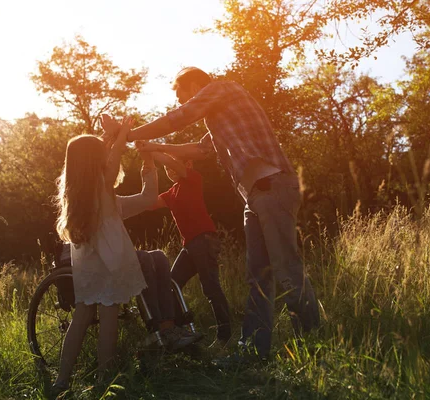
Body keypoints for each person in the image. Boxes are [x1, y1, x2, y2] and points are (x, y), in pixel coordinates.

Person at [101, 66, 320, 362]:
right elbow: (200, 150)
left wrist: (125, 134)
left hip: (273, 187)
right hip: (255, 197)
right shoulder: (219, 119)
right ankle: (253, 352)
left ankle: (315, 348)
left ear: (193, 85)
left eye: (179, 93)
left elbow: (178, 119)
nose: (179, 100)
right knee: (258, 278)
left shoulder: (222, 89)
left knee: (287, 271)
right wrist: (152, 146)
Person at [52, 118, 197, 392]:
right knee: (108, 319)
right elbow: (115, 158)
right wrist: (120, 135)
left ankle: (61, 380)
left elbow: (145, 198)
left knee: (80, 318)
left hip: (87, 267)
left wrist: (145, 162)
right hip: (112, 262)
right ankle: (103, 381)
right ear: (98, 162)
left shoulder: (79, 199)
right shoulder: (104, 191)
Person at [141, 149, 231, 347]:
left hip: (204, 239)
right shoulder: (171, 192)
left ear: (188, 164)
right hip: (190, 245)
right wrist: (147, 164)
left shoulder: (193, 179)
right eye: (166, 168)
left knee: (210, 287)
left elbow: (173, 163)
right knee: (172, 284)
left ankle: (225, 335)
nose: (169, 170)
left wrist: (151, 147)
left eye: (171, 166)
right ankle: (180, 331)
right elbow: (147, 203)